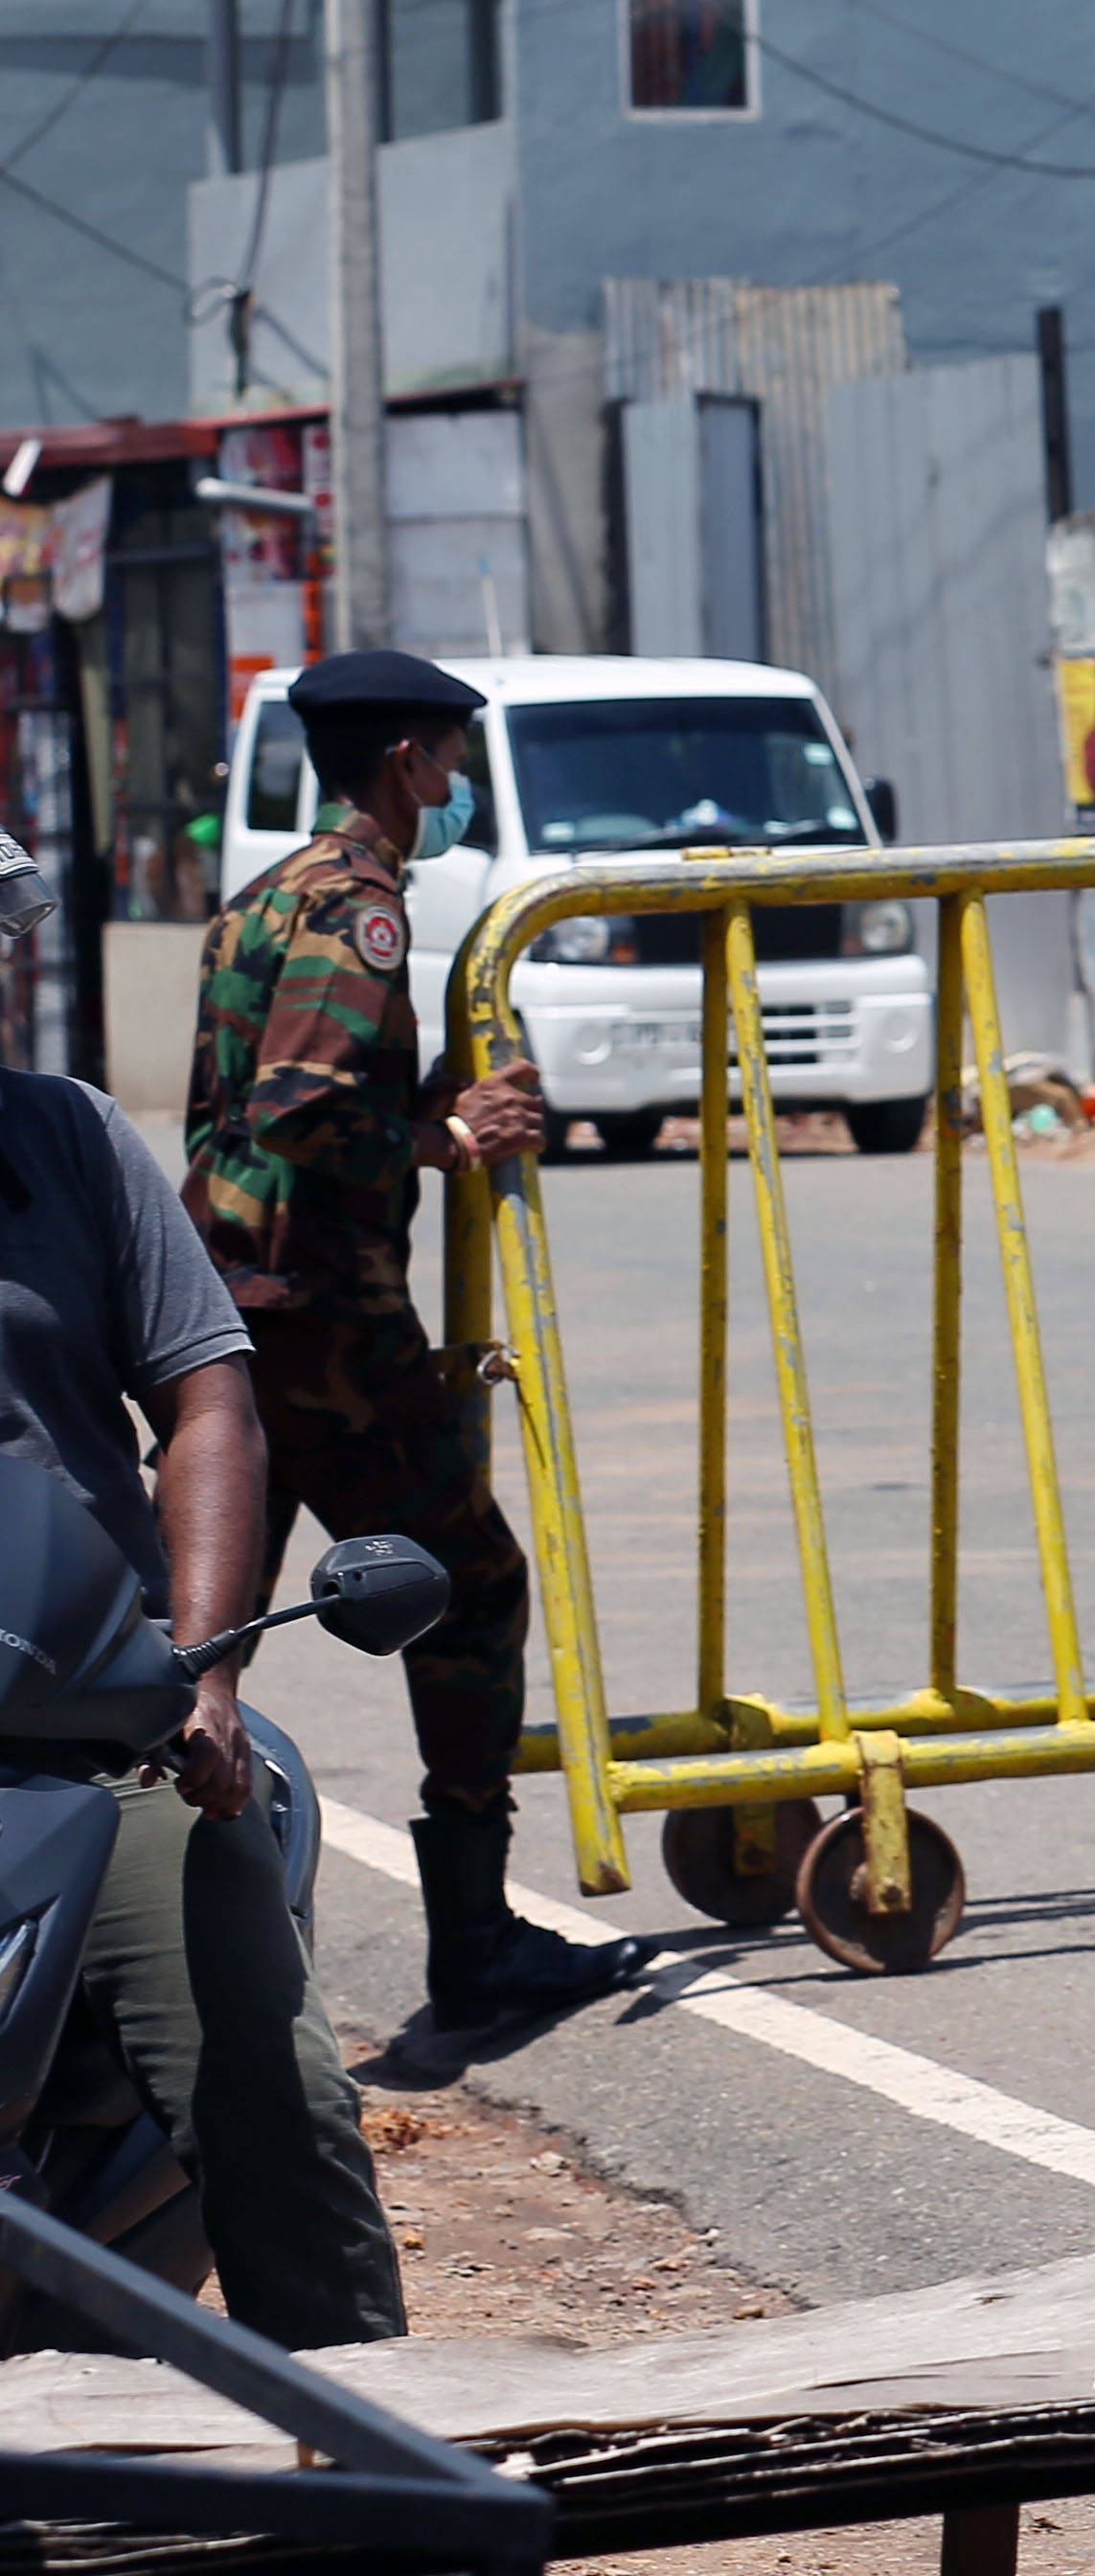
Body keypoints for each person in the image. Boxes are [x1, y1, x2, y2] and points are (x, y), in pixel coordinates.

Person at [0, 826, 412, 2347]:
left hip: (84, 1728)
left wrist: (208, 1669)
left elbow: (207, 1401)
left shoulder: (68, 1138)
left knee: (266, 2073)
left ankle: (379, 2446)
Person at [184, 650, 634, 2030]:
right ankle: (476, 1944)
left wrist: (433, 1091)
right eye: (450, 762)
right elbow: (302, 1101)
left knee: (201, 1640)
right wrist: (446, 1135)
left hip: (231, 1315)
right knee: (473, 1587)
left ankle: (140, 1925)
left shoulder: (269, 893)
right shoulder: (357, 907)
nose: (453, 789)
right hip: (324, 1319)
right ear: (407, 764)